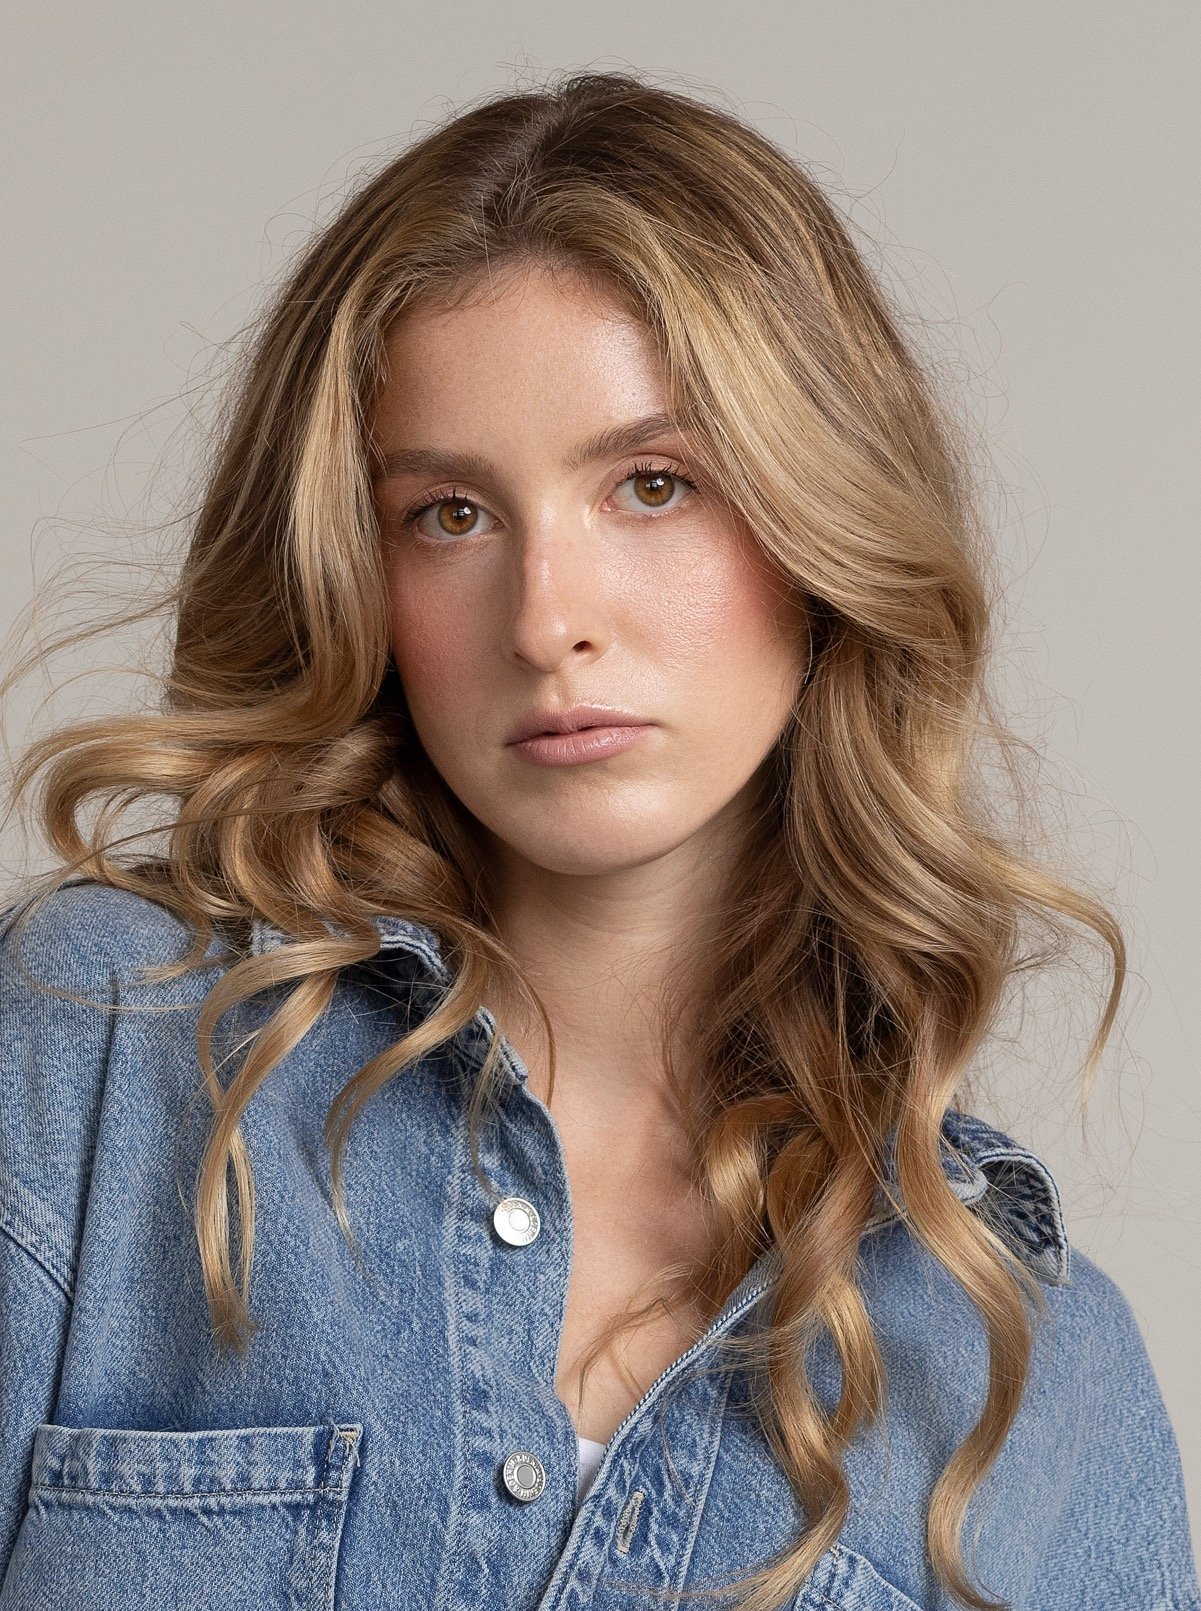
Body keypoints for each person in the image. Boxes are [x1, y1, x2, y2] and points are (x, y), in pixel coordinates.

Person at [0, 69, 1196, 1611]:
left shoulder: (1026, 1372)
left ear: (819, 529)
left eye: (653, 485)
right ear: (356, 575)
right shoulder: (104, 1051)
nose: (548, 619)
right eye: (448, 514)